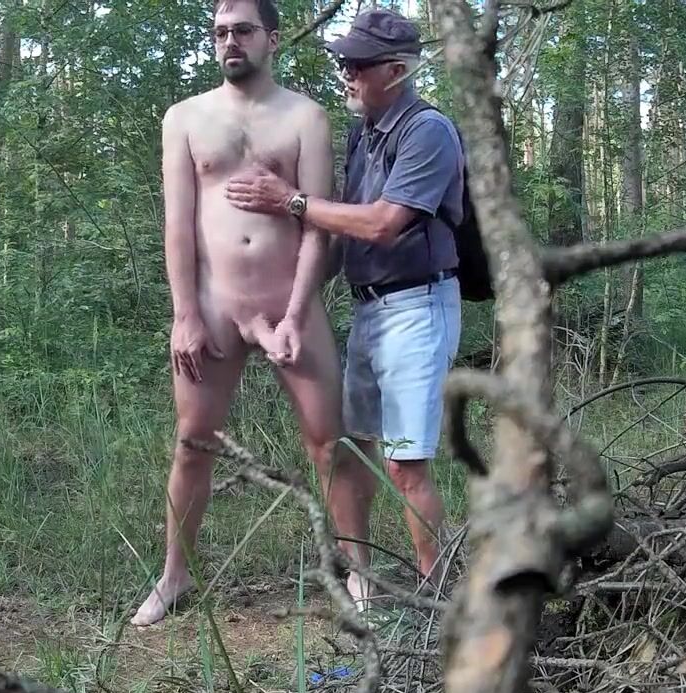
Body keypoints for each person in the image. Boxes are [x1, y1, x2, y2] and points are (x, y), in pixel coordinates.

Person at [132, 0, 378, 627]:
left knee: (328, 440)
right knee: (193, 442)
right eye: (220, 33)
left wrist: (296, 312)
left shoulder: (305, 116)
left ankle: (359, 571)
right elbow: (178, 225)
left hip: (288, 301)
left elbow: (319, 224)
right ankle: (175, 575)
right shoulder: (185, 118)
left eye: (242, 30)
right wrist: (185, 313)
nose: (229, 42)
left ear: (271, 37)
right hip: (214, 304)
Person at [224, 8, 464, 586]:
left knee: (405, 465)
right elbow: (341, 234)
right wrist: (285, 305)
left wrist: (290, 200)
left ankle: (437, 598)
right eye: (343, 63)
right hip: (369, 310)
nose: (346, 74)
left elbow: (382, 223)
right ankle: (362, 581)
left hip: (417, 309)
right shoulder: (365, 133)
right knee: (354, 450)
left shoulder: (428, 131)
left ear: (398, 70)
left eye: (358, 64)